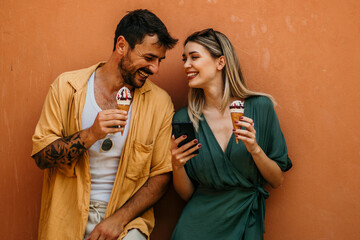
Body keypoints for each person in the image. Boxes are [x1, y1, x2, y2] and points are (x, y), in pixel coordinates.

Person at [31, 9, 178, 240]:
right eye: (149, 58)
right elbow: (41, 157)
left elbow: (161, 176)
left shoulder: (159, 103)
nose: (155, 69)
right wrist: (90, 134)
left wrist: (118, 220)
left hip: (126, 222)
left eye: (159, 61)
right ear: (122, 46)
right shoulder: (66, 87)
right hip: (65, 219)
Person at [171, 28, 292, 240]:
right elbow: (187, 194)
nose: (186, 65)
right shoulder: (184, 119)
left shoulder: (260, 108)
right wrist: (177, 165)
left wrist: (255, 149)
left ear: (220, 62)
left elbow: (277, 179)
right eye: (185, 59)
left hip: (246, 222)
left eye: (194, 57)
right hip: (195, 228)